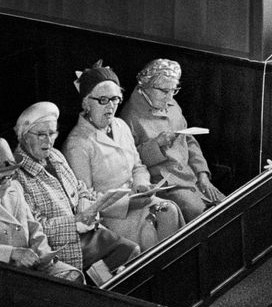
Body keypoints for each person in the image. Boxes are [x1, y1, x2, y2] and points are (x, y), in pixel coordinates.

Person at [13, 100, 140, 283]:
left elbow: (80, 188)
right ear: (24, 136)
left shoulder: (55, 156)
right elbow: (36, 227)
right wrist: (76, 222)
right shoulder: (18, 176)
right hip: (64, 244)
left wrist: (88, 208)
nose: (48, 141)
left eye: (52, 133)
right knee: (121, 261)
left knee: (131, 252)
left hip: (88, 232)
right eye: (41, 135)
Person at [62, 62, 184, 251]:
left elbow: (138, 166)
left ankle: (173, 272)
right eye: (103, 100)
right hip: (111, 215)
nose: (111, 106)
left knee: (170, 211)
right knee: (149, 232)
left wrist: (142, 184)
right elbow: (85, 201)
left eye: (115, 99)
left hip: (137, 197)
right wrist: (129, 202)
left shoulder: (120, 125)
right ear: (86, 102)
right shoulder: (77, 144)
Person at [0, 136, 84, 282]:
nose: (8, 183)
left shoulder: (14, 187)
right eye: (2, 178)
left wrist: (44, 256)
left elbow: (34, 227)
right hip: (1, 278)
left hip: (33, 269)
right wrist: (13, 253)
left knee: (75, 279)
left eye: (11, 176)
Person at [120, 58, 226, 223]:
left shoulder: (171, 104)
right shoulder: (130, 117)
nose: (170, 97)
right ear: (146, 85)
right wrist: (157, 145)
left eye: (174, 90)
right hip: (166, 186)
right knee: (203, 217)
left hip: (191, 178)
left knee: (225, 207)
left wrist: (202, 174)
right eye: (164, 91)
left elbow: (189, 141)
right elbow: (130, 163)